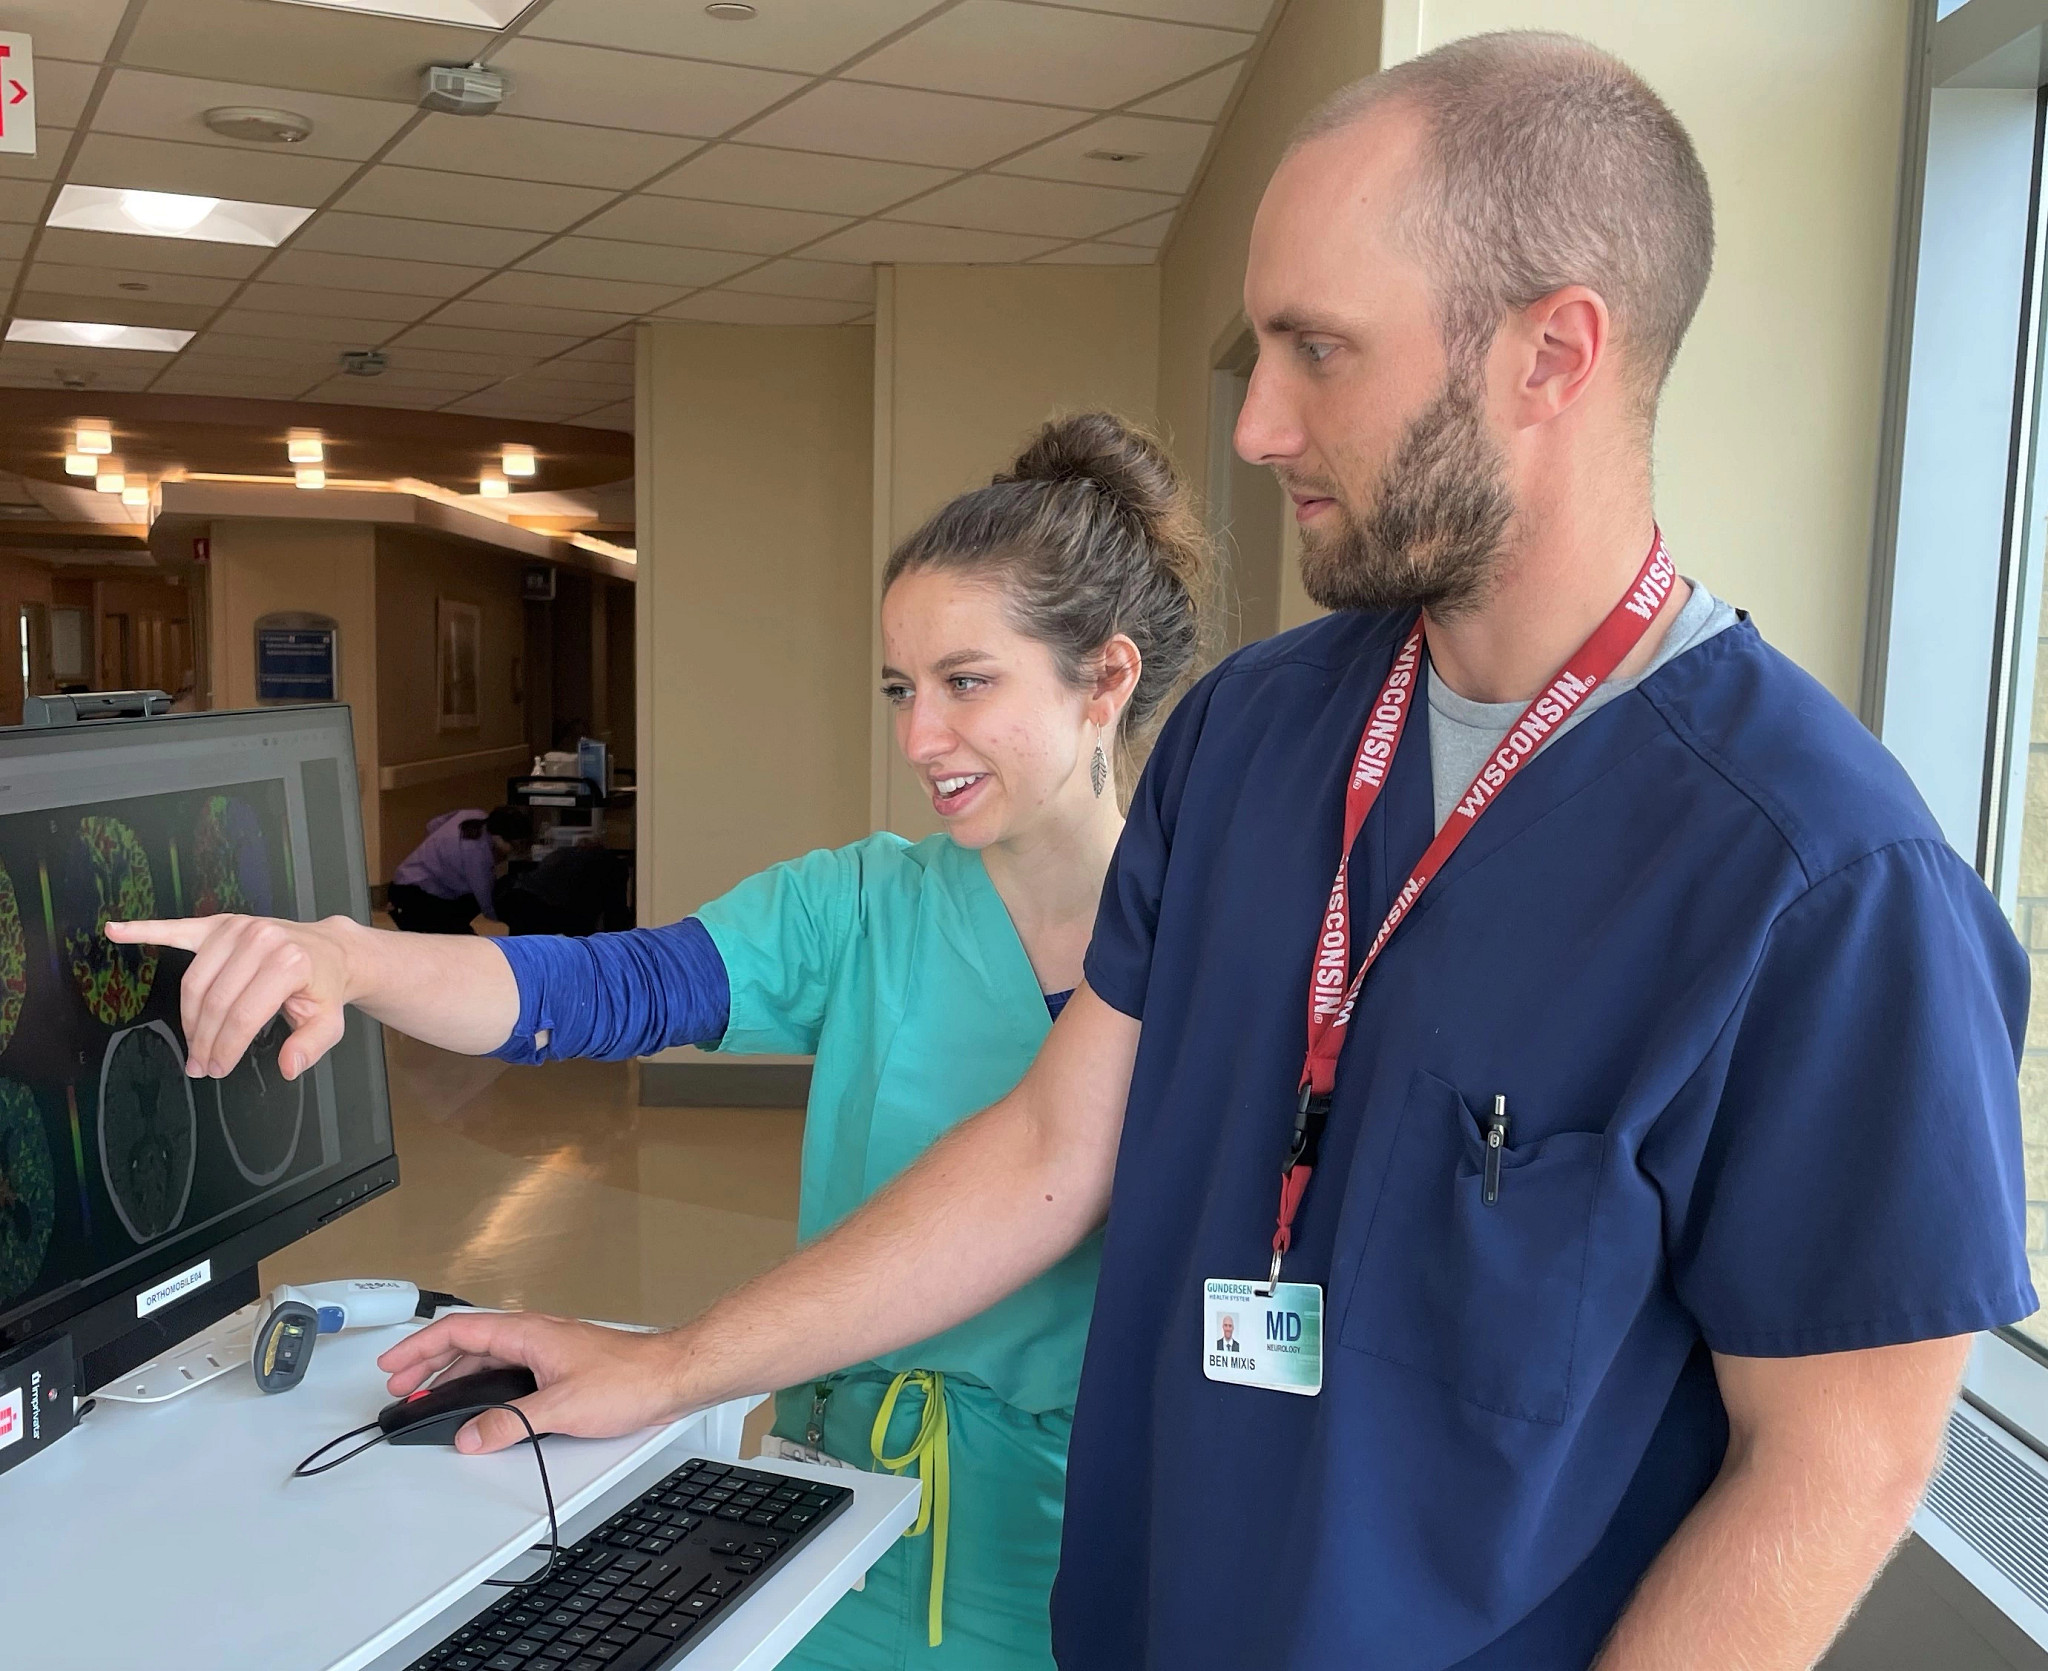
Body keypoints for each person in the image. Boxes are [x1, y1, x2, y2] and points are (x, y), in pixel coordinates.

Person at [123, 33, 2035, 1668]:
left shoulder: (1820, 884)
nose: (1263, 419)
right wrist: (673, 1362)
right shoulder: (1263, 735)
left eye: (1314, 350)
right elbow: (1057, 1146)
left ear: (1553, 354)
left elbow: (1840, 1457)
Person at [112, 413, 1209, 1671]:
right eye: (902, 690)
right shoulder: (862, 904)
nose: (918, 739)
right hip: (831, 1513)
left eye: (968, 683)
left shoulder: (1223, 947)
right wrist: (351, 958)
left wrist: (676, 1367)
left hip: (1077, 1550)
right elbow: (606, 989)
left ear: (1105, 681)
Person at [386, 805, 530, 934]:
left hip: (405, 878)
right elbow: (484, 898)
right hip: (416, 892)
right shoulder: (477, 854)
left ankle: (407, 912)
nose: (515, 850)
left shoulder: (474, 815)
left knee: (461, 908)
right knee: (459, 934)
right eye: (514, 845)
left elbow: (432, 825)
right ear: (499, 837)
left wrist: (437, 851)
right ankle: (408, 918)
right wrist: (503, 919)